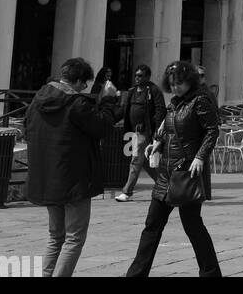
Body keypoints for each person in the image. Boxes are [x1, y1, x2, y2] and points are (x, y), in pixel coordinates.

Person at [125, 60, 221, 277]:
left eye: (179, 83)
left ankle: (211, 273)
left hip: (185, 171)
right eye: (172, 83)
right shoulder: (175, 103)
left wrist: (200, 157)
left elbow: (211, 131)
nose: (175, 87)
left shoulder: (200, 100)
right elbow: (168, 127)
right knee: (152, 225)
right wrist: (157, 141)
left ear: (189, 81)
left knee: (193, 227)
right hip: (166, 172)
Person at [25, 56, 118, 277]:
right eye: (84, 83)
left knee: (55, 236)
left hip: (47, 176)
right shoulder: (76, 103)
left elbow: (29, 132)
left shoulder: (37, 101)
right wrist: (108, 101)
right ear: (76, 81)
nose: (84, 88)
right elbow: (103, 126)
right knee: (74, 237)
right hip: (74, 178)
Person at [115, 63, 167, 201]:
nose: (137, 78)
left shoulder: (153, 90)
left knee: (135, 160)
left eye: (140, 76)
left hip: (145, 131)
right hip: (132, 132)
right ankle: (164, 184)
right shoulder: (132, 91)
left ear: (147, 77)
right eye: (136, 75)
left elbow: (160, 110)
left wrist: (157, 132)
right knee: (142, 161)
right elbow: (124, 109)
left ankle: (127, 192)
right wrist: (112, 118)